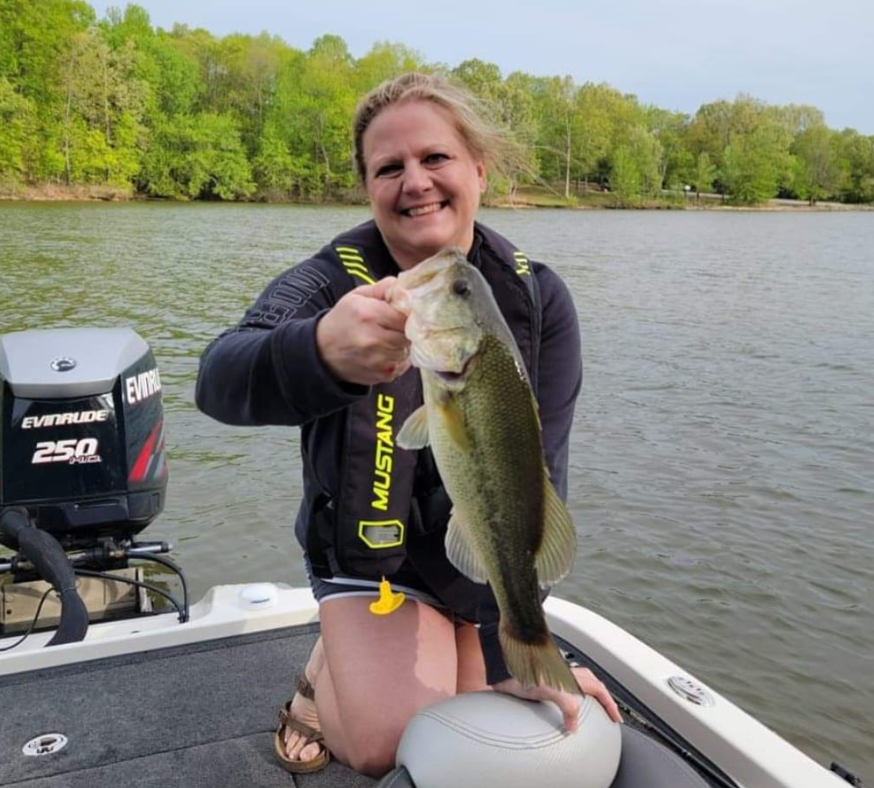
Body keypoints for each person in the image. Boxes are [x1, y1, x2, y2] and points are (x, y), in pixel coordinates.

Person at [195, 72, 622, 778]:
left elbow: (537, 478)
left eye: (436, 159)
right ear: (368, 188)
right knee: (387, 746)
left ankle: (409, 639)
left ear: (479, 170)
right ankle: (323, 671)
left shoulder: (536, 297)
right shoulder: (327, 284)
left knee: (476, 720)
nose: (415, 182)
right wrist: (320, 351)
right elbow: (218, 378)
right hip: (371, 557)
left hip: (470, 553)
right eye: (389, 168)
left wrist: (511, 637)